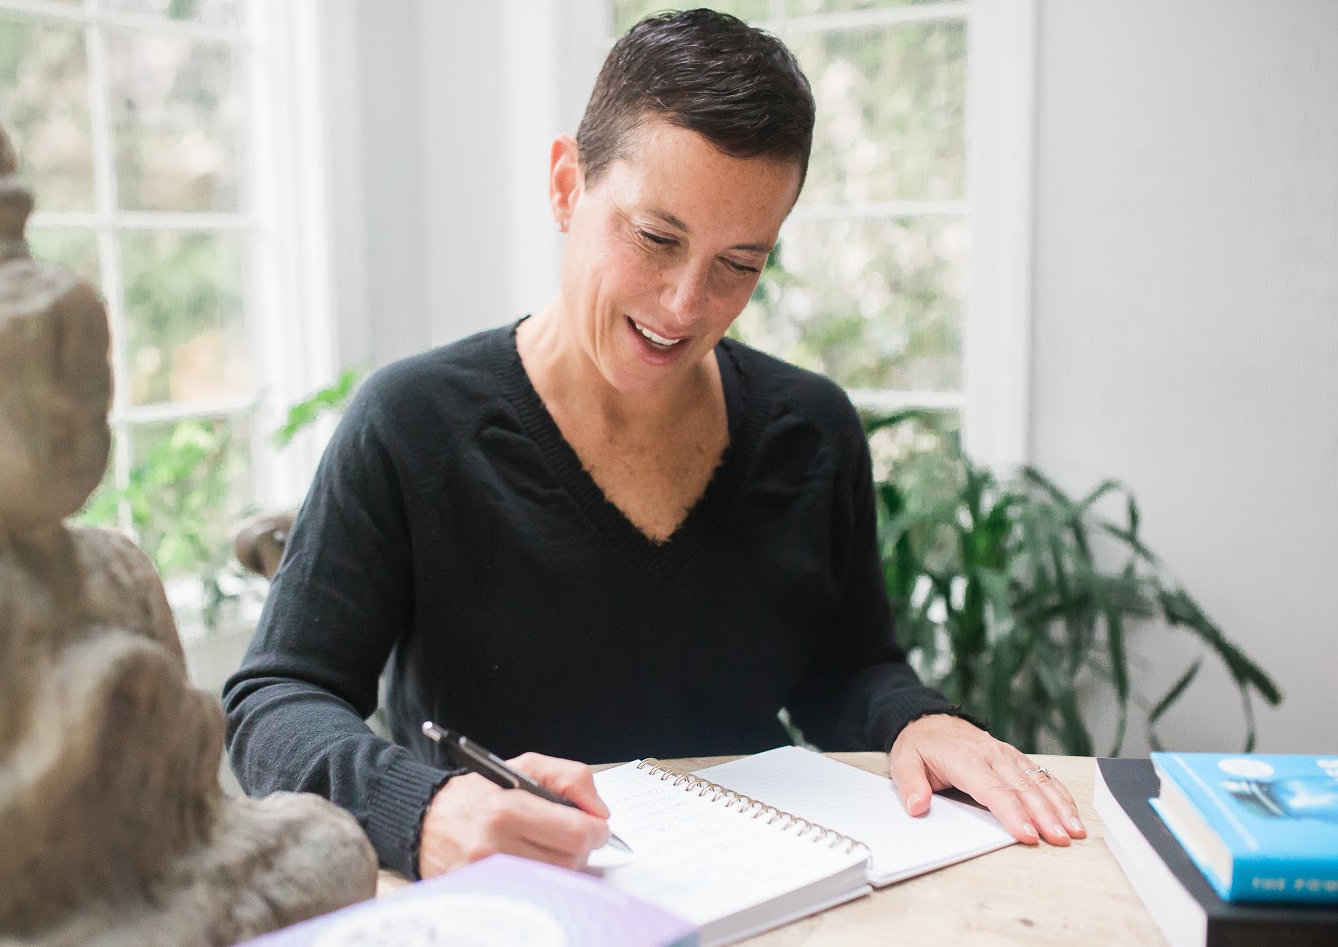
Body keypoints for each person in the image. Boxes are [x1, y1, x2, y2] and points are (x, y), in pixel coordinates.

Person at [224, 9, 1084, 881]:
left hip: (758, 894)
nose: (684, 305)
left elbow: (848, 669)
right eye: (656, 238)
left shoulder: (811, 430)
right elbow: (275, 701)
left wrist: (915, 718)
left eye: (738, 264)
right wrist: (425, 807)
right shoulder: (412, 425)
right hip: (515, 903)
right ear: (567, 186)